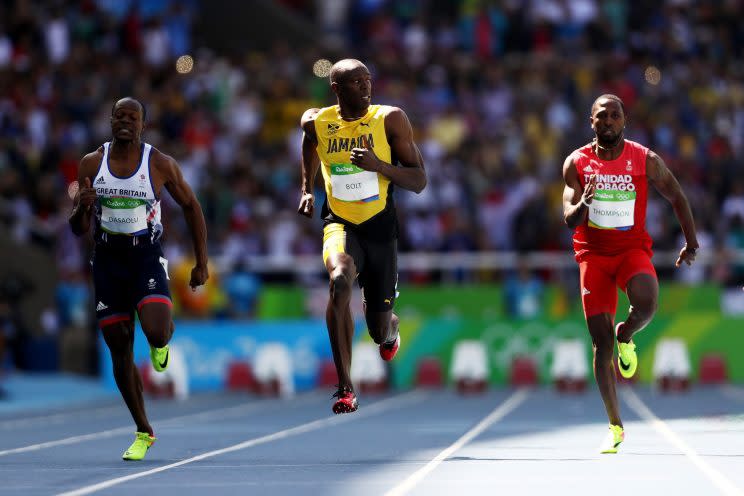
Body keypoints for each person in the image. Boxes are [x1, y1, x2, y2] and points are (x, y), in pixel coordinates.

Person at [69, 97, 208, 460]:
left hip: (144, 255)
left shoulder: (159, 163)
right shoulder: (91, 163)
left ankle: (160, 344)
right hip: (107, 259)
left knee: (157, 330)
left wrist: (201, 263)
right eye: (120, 116)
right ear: (110, 120)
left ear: (143, 124)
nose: (126, 122)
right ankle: (143, 430)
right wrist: (83, 206)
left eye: (133, 117)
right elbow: (77, 228)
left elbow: (192, 207)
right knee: (118, 344)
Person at [562, 94, 698, 453]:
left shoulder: (644, 159)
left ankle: (627, 332)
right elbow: (568, 218)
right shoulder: (576, 163)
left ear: (625, 121)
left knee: (649, 304)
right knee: (599, 345)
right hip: (593, 257)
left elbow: (677, 196)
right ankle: (616, 426)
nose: (608, 121)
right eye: (601, 116)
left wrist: (692, 242)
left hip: (630, 251)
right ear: (591, 122)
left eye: (615, 116)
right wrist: (584, 203)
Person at [297, 59, 426, 413]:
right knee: (339, 281)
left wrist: (379, 167)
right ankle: (345, 387)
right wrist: (307, 189)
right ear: (336, 88)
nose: (366, 87)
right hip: (340, 224)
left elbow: (419, 180)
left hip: (381, 230)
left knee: (378, 331)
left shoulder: (390, 119)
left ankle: (390, 327)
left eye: (368, 80)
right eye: (356, 82)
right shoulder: (317, 121)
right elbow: (309, 143)